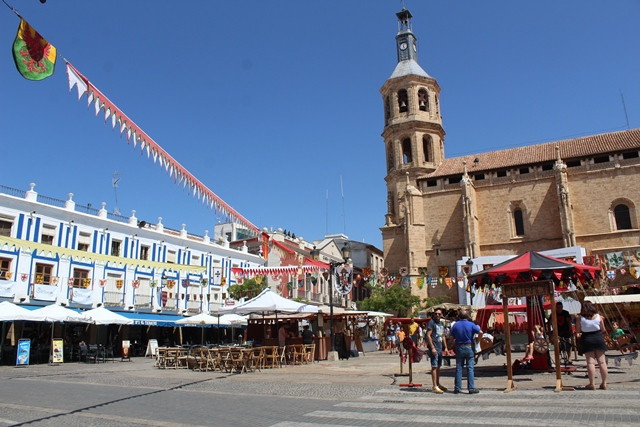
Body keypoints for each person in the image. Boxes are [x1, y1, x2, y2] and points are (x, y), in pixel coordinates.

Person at [576, 300, 608, 390]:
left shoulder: (579, 318)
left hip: (587, 339)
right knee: (602, 362)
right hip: (598, 337)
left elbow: (578, 331)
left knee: (590, 362)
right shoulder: (599, 317)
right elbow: (603, 330)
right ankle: (604, 383)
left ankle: (592, 383)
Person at [450, 309, 481, 394]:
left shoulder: (455, 325)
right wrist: (478, 339)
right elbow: (480, 331)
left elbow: (451, 338)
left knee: (459, 368)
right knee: (470, 368)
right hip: (469, 346)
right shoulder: (471, 324)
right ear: (467, 316)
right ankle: (471, 388)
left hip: (459, 347)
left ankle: (457, 387)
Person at [426, 310, 449, 394]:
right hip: (434, 347)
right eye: (435, 314)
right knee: (434, 366)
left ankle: (438, 384)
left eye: (439, 314)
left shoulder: (441, 324)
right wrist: (432, 347)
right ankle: (434, 385)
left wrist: (445, 347)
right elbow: (428, 335)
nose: (437, 315)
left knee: (438, 366)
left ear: (441, 315)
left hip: (440, 347)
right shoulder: (431, 323)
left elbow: (442, 335)